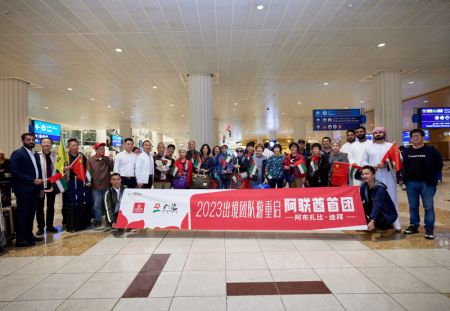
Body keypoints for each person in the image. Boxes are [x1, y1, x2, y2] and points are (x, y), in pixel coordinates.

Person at [402, 129, 443, 239]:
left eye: (418, 136)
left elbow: (439, 164)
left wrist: (435, 176)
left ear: (422, 137)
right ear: (410, 139)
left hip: (427, 183)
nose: (415, 137)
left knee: (428, 207)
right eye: (413, 136)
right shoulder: (406, 151)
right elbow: (403, 166)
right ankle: (414, 226)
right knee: (413, 206)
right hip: (411, 183)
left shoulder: (431, 150)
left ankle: (429, 229)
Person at [362, 127, 401, 231]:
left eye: (380, 132)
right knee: (374, 201)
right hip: (373, 179)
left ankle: (396, 224)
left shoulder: (391, 147)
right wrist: (370, 166)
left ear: (384, 134)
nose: (378, 134)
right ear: (373, 135)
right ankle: (375, 222)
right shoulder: (369, 148)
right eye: (376, 133)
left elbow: (399, 160)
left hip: (389, 178)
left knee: (392, 199)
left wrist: (386, 165)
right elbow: (363, 162)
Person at [9, 133, 44, 247]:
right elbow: (15, 172)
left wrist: (40, 188)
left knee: (30, 214)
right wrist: (32, 180)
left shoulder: (35, 155)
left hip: (34, 190)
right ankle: (20, 239)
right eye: (28, 140)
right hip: (23, 190)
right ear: (23, 141)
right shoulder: (18, 154)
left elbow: (38, 173)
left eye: (33, 140)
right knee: (23, 214)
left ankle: (29, 235)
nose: (31, 141)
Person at [360, 165, 398, 232]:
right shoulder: (364, 186)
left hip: (386, 213)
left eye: (367, 174)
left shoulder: (380, 188)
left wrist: (372, 221)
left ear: (373, 175)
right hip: (376, 210)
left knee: (382, 226)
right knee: (360, 207)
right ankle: (369, 224)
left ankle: (383, 224)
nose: (364, 176)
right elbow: (359, 200)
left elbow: (377, 204)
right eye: (362, 174)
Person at [64, 138, 89, 232]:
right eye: (72, 145)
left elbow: (86, 169)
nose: (75, 147)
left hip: (80, 183)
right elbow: (58, 170)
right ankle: (70, 225)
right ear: (68, 146)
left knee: (80, 203)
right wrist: (64, 170)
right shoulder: (65, 156)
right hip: (69, 183)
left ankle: (81, 223)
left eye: (76, 145)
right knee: (70, 204)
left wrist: (87, 181)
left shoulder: (82, 156)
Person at [87, 142, 113, 227]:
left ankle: (109, 219)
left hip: (106, 185)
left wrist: (110, 160)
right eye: (101, 149)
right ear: (96, 150)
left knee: (107, 203)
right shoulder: (90, 160)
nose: (103, 150)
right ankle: (98, 220)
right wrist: (88, 181)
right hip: (96, 186)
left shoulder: (107, 159)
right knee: (97, 204)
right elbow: (88, 172)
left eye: (104, 149)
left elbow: (111, 169)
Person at [36, 137, 58, 235]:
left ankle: (50, 225)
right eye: (44, 142)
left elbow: (57, 171)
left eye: (48, 143)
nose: (46, 144)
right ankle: (40, 227)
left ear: (51, 145)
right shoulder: (36, 156)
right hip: (40, 184)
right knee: (39, 207)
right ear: (40, 144)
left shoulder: (55, 156)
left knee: (51, 206)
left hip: (51, 184)